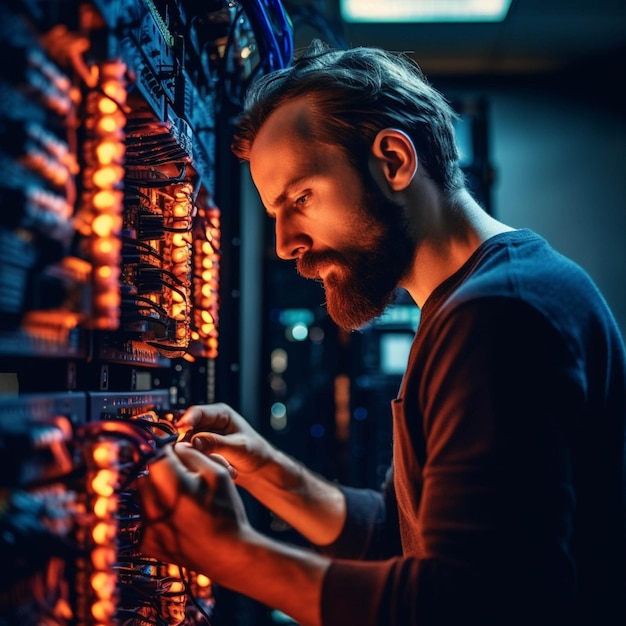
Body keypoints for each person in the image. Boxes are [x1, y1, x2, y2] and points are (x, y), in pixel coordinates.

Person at [136, 39, 626, 625]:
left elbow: (467, 603)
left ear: (393, 160)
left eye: (302, 198)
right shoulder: (475, 301)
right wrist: (266, 470)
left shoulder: (498, 315)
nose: (286, 244)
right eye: (277, 214)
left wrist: (229, 554)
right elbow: (399, 531)